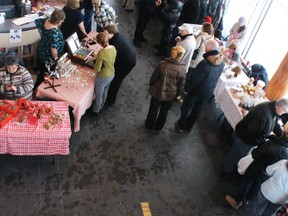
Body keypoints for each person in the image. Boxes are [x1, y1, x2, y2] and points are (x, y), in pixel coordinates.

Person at [221, 98, 288, 174]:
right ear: (281, 108)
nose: (284, 113)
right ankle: (225, 170)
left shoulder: (273, 109)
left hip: (251, 137)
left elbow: (274, 123)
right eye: (285, 111)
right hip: (245, 138)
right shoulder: (263, 113)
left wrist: (282, 134)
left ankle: (228, 167)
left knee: (237, 154)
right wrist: (260, 142)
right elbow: (248, 130)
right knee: (235, 155)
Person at [225, 133, 288, 210]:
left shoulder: (270, 143)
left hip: (256, 168)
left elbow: (255, 154)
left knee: (246, 184)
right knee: (256, 186)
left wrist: (258, 148)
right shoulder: (286, 153)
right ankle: (247, 200)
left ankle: (236, 201)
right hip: (266, 175)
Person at [175, 40, 224, 132]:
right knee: (197, 109)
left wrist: (186, 89)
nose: (204, 47)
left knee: (186, 106)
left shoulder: (204, 64)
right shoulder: (222, 63)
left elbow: (195, 80)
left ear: (209, 48)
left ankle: (181, 125)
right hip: (208, 91)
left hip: (196, 91)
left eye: (206, 46)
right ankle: (189, 126)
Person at [146, 46, 186, 131]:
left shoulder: (162, 64)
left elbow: (154, 76)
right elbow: (181, 86)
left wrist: (151, 84)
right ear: (180, 56)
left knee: (153, 109)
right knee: (164, 112)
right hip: (170, 95)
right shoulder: (182, 70)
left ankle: (149, 124)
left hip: (157, 90)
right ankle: (159, 127)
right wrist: (178, 96)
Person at [103, 23, 137, 105]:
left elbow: (110, 59)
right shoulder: (118, 35)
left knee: (116, 80)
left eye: (105, 34)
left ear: (111, 33)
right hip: (128, 58)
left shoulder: (115, 44)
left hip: (127, 63)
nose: (104, 35)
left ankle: (110, 100)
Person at [34, 8, 66, 89]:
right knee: (45, 75)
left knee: (42, 71)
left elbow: (37, 22)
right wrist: (56, 59)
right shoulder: (54, 33)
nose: (62, 22)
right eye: (62, 20)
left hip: (42, 50)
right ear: (58, 21)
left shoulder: (45, 21)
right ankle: (38, 90)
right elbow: (53, 49)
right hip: (48, 57)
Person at [92, 32, 116, 114]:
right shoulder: (113, 48)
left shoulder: (101, 53)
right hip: (111, 73)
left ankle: (96, 110)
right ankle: (102, 106)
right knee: (105, 91)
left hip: (103, 76)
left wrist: (92, 63)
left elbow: (97, 69)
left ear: (100, 43)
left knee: (98, 95)